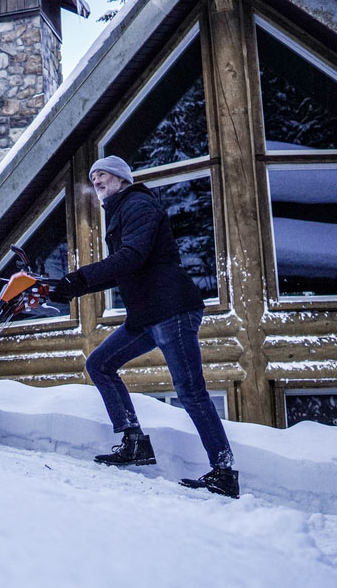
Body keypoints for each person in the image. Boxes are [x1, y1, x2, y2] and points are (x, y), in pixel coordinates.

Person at [51, 156, 239, 498]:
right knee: (100, 364)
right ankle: (134, 441)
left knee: (191, 392)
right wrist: (70, 286)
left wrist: (78, 280)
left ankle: (224, 472)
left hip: (172, 311)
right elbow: (125, 267)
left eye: (103, 174)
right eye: (93, 177)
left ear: (122, 178)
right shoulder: (121, 210)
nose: (96, 181)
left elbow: (130, 258)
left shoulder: (139, 206)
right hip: (147, 316)